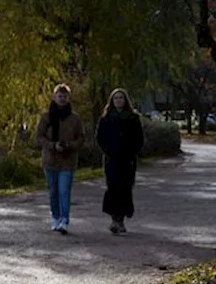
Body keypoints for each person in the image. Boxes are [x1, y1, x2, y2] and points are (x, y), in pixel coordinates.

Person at [34, 83, 85, 235]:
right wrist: (52, 145)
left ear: (68, 98)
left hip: (68, 161)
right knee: (53, 191)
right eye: (59, 96)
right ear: (54, 97)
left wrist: (69, 145)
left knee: (64, 191)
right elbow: (39, 136)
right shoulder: (46, 117)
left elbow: (81, 138)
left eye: (65, 96)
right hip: (50, 160)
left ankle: (64, 220)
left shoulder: (74, 119)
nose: (62, 99)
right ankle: (55, 217)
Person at [96, 88, 145, 235]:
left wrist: (132, 152)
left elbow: (139, 139)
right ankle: (114, 219)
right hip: (111, 159)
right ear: (112, 100)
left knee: (125, 189)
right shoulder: (106, 118)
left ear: (125, 100)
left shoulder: (133, 118)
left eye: (121, 98)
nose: (118, 100)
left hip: (127, 160)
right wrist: (108, 151)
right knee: (112, 188)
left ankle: (121, 220)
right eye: (116, 98)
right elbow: (99, 137)